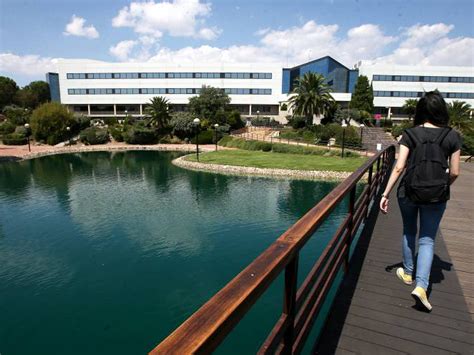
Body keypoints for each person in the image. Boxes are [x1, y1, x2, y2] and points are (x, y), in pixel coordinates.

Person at [379, 91, 461, 312]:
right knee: (427, 240)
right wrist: (443, 186)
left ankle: (407, 272)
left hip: (408, 192)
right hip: (436, 195)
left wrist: (385, 194)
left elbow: (399, 167)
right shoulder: (452, 136)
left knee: (408, 231)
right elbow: (454, 172)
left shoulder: (409, 134)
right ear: (441, 110)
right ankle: (421, 286)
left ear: (420, 111)